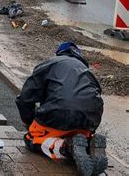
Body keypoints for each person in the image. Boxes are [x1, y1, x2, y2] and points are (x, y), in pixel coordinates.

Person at [16, 41, 106, 176]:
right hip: (90, 118)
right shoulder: (87, 71)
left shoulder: (50, 64)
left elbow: (25, 98)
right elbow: (96, 99)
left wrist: (29, 122)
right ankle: (88, 143)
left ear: (60, 53)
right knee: (77, 135)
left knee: (31, 139)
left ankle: (66, 148)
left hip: (60, 113)